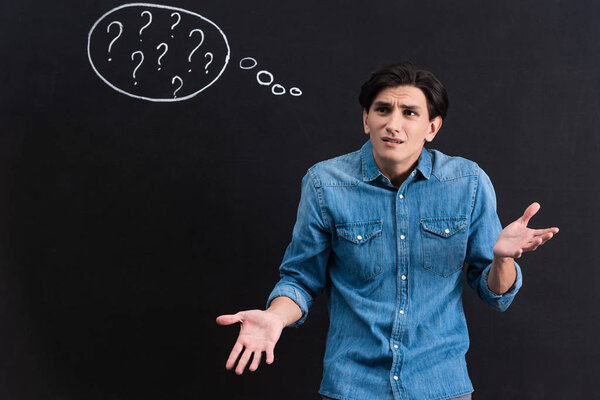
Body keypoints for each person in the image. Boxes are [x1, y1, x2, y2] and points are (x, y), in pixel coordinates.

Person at [216, 61, 559, 400]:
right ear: (367, 119)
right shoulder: (325, 184)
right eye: (383, 110)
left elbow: (495, 294)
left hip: (440, 386)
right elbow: (302, 279)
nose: (393, 124)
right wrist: (275, 317)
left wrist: (501, 260)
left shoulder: (467, 183)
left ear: (432, 127)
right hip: (352, 387)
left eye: (410, 112)